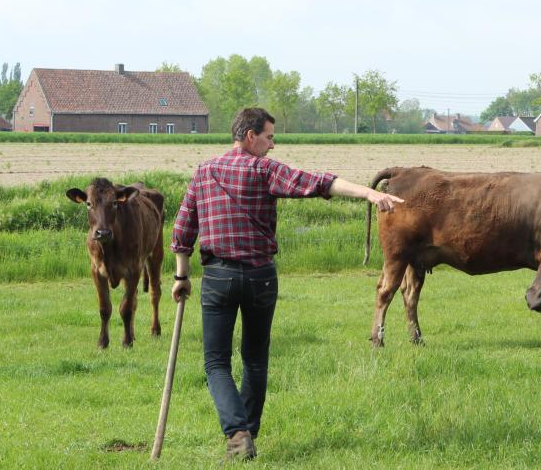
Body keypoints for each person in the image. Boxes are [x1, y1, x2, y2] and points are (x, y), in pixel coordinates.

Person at [170, 107, 403, 461]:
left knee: (216, 362)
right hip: (261, 277)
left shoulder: (205, 172)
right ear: (250, 136)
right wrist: (368, 194)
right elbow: (318, 182)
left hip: (218, 277)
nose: (272, 145)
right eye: (269, 137)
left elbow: (183, 228)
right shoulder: (264, 170)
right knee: (255, 360)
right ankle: (245, 436)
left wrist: (181, 276)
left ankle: (237, 434)